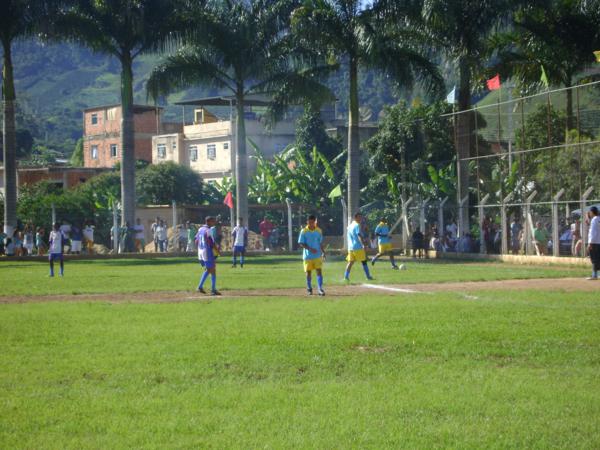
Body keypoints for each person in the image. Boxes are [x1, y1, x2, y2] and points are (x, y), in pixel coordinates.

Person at [298, 214, 325, 296]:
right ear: (307, 222)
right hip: (308, 256)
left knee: (319, 271)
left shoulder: (319, 231)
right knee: (308, 272)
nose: (311, 224)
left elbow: (320, 243)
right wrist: (310, 249)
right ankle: (309, 288)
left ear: (315, 222)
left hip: (317, 255)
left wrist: (323, 252)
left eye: (312, 222)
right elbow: (301, 243)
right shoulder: (304, 231)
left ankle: (320, 289)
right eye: (309, 222)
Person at [344, 212, 373, 282]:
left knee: (350, 262)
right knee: (364, 261)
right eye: (359, 217)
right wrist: (363, 244)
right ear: (355, 218)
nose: (361, 219)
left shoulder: (350, 226)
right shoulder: (357, 225)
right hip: (357, 247)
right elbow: (359, 235)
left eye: (361, 217)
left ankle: (346, 277)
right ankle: (368, 276)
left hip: (350, 247)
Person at [195, 216, 221, 295]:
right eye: (213, 221)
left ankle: (202, 287)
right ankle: (212, 289)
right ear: (208, 222)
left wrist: (200, 248)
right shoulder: (208, 230)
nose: (214, 223)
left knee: (210, 269)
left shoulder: (200, 229)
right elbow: (211, 243)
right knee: (212, 269)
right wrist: (217, 251)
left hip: (200, 252)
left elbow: (196, 240)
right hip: (207, 252)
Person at [587, 206, 600, 280]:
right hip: (599, 242)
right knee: (598, 258)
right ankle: (597, 274)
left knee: (594, 259)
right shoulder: (598, 219)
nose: (589, 213)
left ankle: (594, 275)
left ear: (592, 212)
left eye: (590, 212)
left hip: (594, 242)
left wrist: (590, 243)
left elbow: (593, 232)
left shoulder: (594, 219)